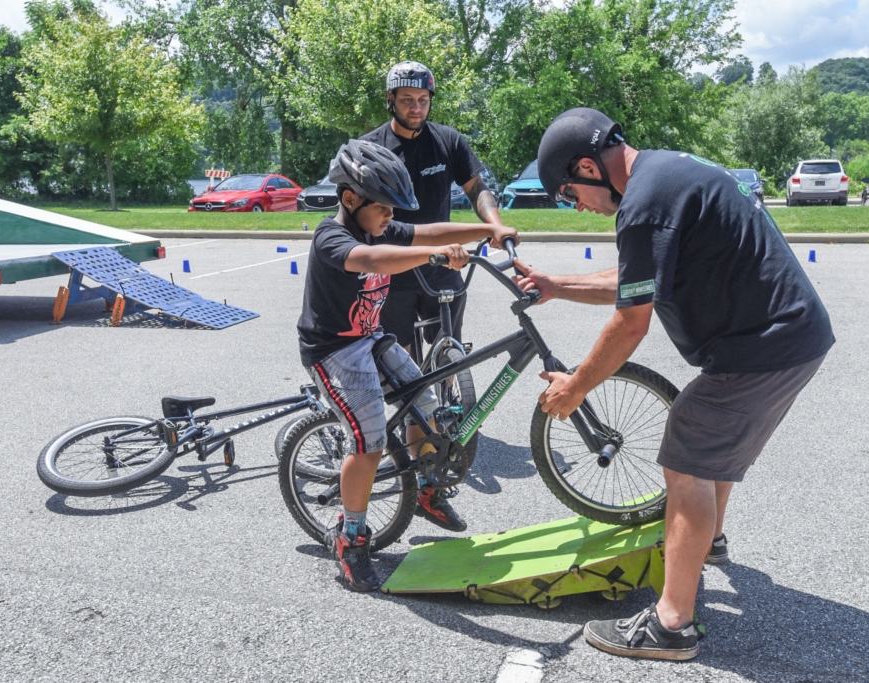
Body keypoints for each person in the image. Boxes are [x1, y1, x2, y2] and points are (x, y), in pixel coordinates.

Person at [515, 108, 834, 659]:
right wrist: (556, 285)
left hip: (764, 346)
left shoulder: (643, 203)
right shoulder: (663, 175)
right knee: (709, 451)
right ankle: (705, 544)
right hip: (790, 338)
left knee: (686, 456)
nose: (579, 207)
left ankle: (670, 626)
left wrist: (577, 387)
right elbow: (638, 279)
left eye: (571, 194)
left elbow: (630, 319)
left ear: (588, 167)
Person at [296, 139, 516, 591]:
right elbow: (371, 261)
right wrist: (434, 256)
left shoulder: (380, 226)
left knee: (427, 403)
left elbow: (429, 231)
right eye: (384, 208)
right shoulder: (331, 237)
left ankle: (426, 491)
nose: (391, 218)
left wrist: (486, 231)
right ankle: (351, 536)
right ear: (350, 199)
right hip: (334, 350)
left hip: (372, 338)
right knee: (370, 439)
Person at [360, 60, 509, 533]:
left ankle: (433, 437)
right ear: (391, 101)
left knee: (447, 358)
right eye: (407, 101)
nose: (416, 108)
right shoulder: (372, 145)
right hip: (399, 267)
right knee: (404, 365)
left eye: (423, 100)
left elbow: (476, 188)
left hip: (446, 264)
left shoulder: (449, 141)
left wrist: (495, 223)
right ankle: (412, 441)